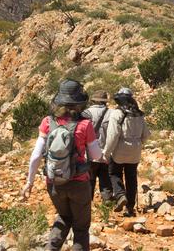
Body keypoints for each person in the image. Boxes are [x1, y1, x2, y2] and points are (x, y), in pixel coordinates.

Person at [22, 79, 102, 251]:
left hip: (54, 182)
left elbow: (36, 156)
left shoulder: (48, 122)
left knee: (64, 217)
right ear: (79, 103)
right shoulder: (85, 124)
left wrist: (29, 183)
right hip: (79, 182)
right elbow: (96, 155)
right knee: (80, 227)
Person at [103, 88, 150, 217]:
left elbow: (112, 135)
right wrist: (138, 143)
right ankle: (130, 207)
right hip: (135, 150)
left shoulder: (117, 114)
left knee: (114, 173)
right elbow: (146, 134)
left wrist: (106, 153)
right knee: (131, 177)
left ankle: (120, 195)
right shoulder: (139, 114)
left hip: (120, 150)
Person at [81, 91, 113, 201]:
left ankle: (87, 202)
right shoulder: (112, 113)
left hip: (89, 152)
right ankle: (107, 199)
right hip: (106, 152)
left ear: (93, 100)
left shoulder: (86, 113)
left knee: (90, 178)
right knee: (105, 177)